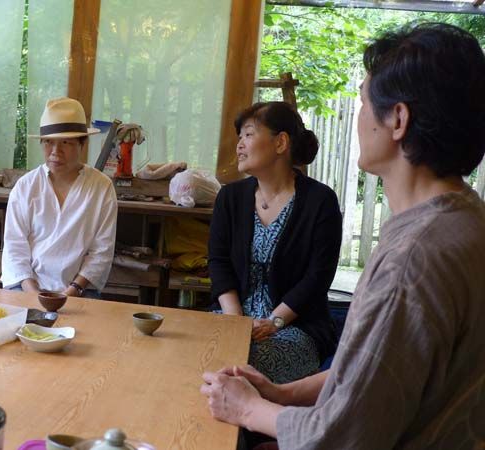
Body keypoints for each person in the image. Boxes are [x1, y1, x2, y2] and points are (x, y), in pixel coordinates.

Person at [201, 23, 485, 450]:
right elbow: (373, 373)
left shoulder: (414, 259)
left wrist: (248, 410)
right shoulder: (464, 219)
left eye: (363, 101)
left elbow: (341, 435)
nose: (359, 116)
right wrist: (282, 394)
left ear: (398, 119)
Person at [208, 101, 342, 385]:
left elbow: (317, 277)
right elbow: (218, 262)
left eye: (248, 134)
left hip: (294, 328)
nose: (239, 145)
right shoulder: (229, 198)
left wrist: (273, 322)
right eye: (240, 137)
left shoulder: (320, 201)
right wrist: (236, 321)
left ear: (281, 142)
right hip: (232, 318)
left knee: (240, 368)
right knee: (193, 352)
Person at [1, 97, 117, 298]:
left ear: (82, 143)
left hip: (80, 289)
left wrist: (72, 291)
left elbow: (101, 251)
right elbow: (14, 247)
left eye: (66, 143)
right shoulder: (26, 186)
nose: (56, 152)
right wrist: (33, 293)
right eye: (48, 142)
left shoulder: (101, 187)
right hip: (26, 286)